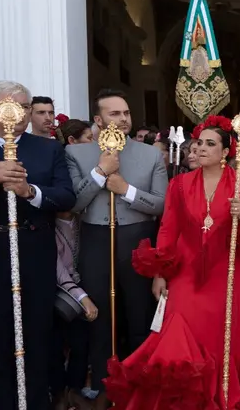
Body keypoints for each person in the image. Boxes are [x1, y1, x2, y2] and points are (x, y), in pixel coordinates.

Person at [103, 116, 240, 408]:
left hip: (232, 273)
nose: (200, 149)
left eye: (210, 144)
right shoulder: (180, 184)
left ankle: (226, 396)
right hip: (186, 272)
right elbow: (168, 229)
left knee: (229, 336)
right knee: (182, 328)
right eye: (199, 143)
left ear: (225, 151)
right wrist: (160, 273)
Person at [65, 89, 168, 410]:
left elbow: (162, 204)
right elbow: (73, 204)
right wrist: (99, 173)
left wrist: (126, 190)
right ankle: (101, 381)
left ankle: (138, 379)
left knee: (139, 312)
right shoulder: (78, 155)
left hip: (139, 240)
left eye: (125, 113)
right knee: (98, 314)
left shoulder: (150, 155)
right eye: (114, 114)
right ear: (98, 120)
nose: (122, 120)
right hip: (96, 239)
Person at [0, 80, 76, 409]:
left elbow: (67, 195)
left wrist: (31, 192)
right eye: (10, 105)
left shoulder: (48, 149)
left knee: (36, 331)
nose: (19, 113)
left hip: (35, 248)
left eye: (25, 107)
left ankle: (37, 400)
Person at [50, 118, 98, 410]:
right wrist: (84, 298)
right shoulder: (48, 227)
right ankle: (59, 394)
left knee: (82, 344)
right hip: (62, 295)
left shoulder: (83, 221)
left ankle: (77, 392)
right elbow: (58, 271)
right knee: (56, 346)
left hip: (83, 289)